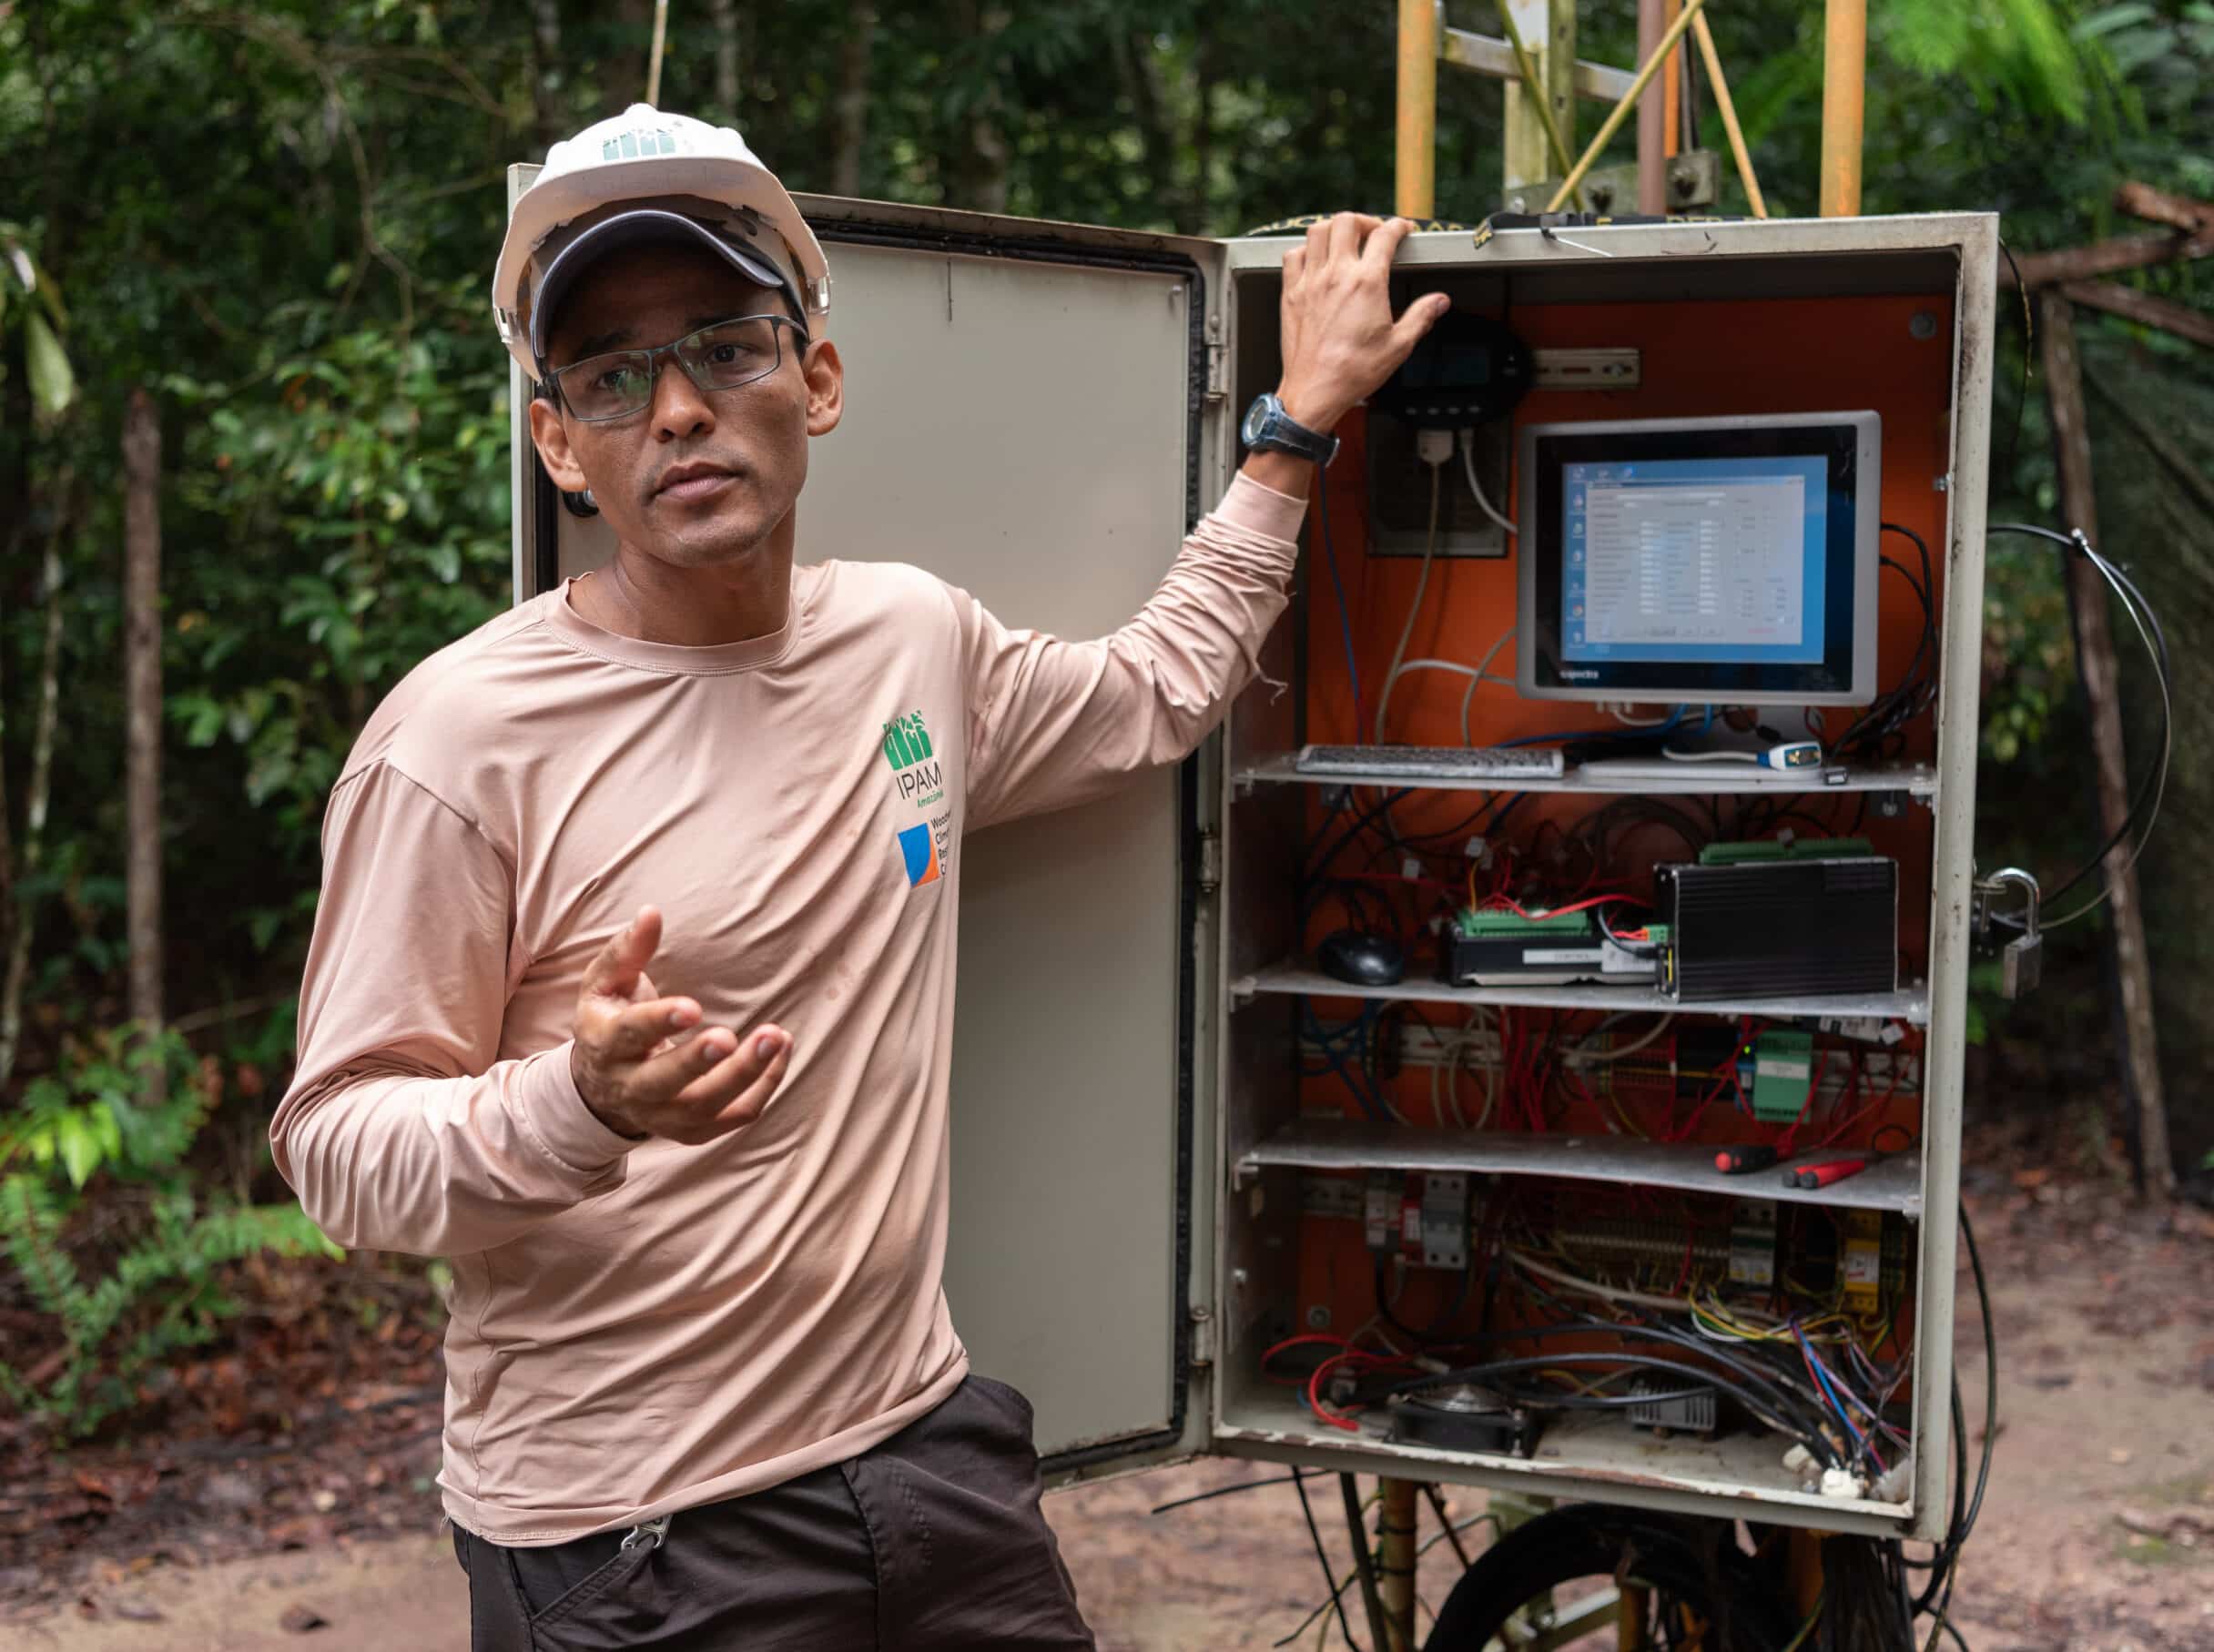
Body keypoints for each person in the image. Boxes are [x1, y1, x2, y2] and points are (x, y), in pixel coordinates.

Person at [271, 103, 1446, 1651]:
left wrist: (1295, 424)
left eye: (727, 347)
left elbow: (1153, 691)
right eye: (614, 377)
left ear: (815, 378)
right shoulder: (458, 739)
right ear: (560, 442)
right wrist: (580, 1104)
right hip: (633, 1541)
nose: (679, 408)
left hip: (925, 1458)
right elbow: (336, 1148)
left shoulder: (908, 640)